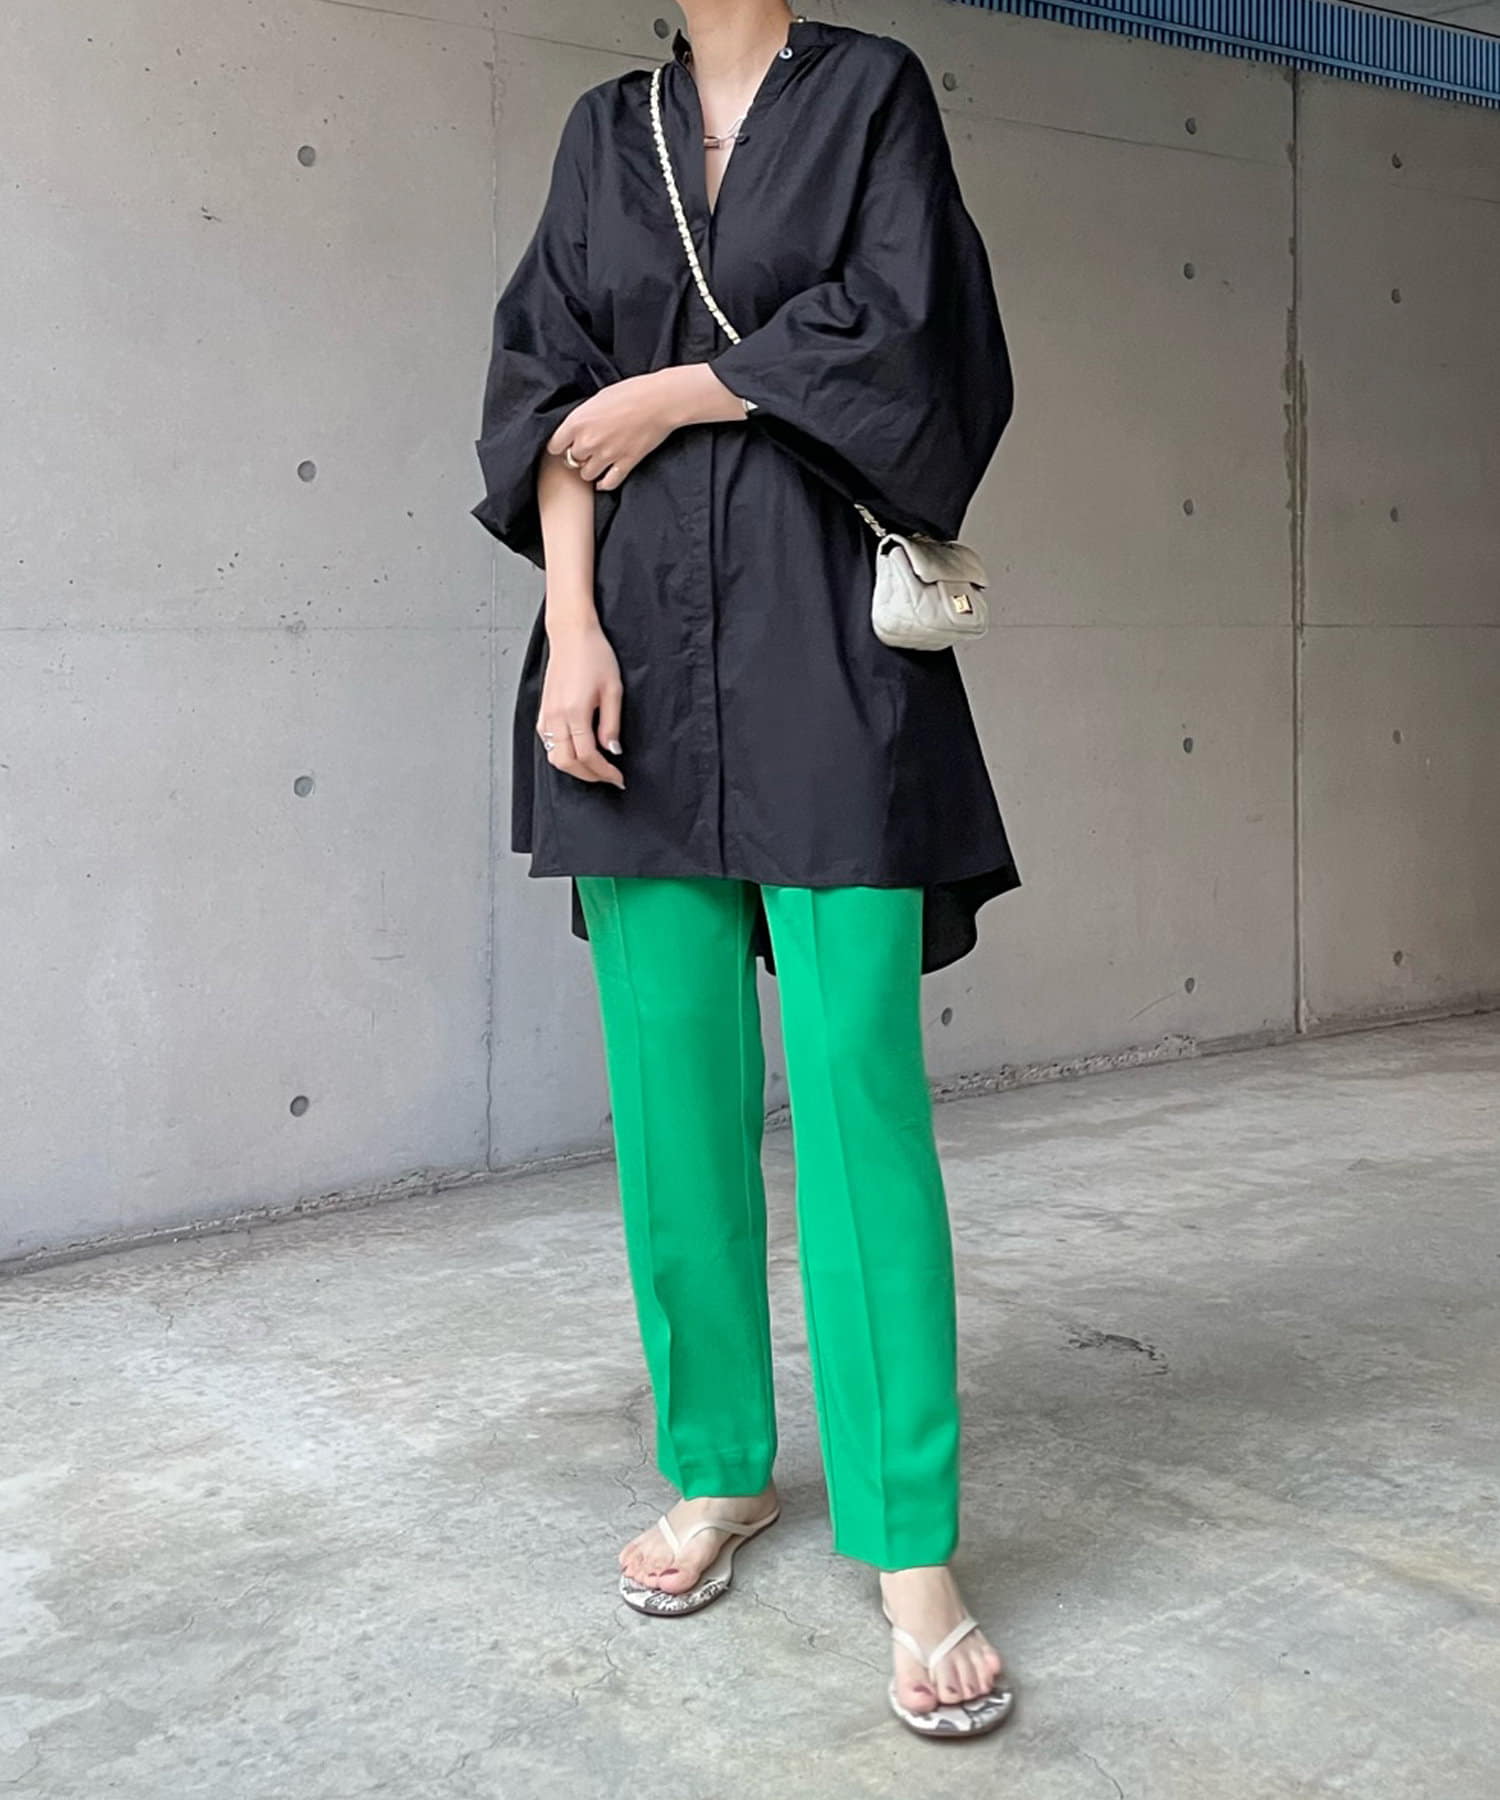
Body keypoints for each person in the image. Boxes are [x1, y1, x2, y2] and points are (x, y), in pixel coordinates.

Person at [472, 0, 1020, 1739]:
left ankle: (910, 1543)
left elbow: (911, 328)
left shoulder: (868, 92)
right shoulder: (602, 130)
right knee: (672, 1098)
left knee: (859, 1092)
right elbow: (545, 389)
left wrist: (685, 389)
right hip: (629, 649)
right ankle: (717, 1465)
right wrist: (571, 632)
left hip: (822, 646)